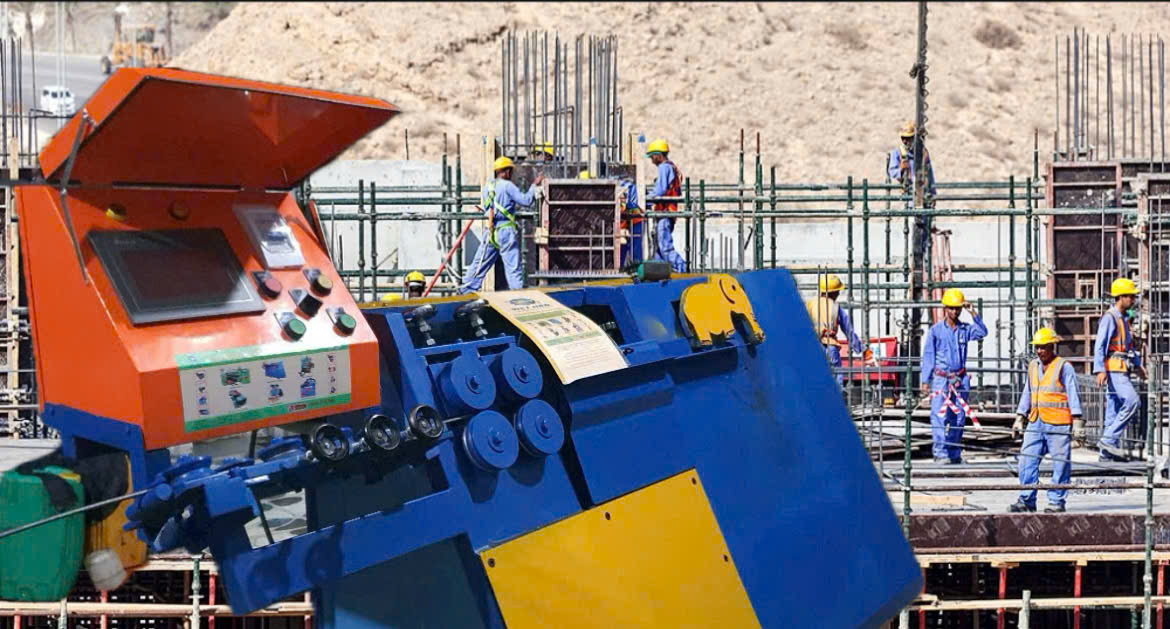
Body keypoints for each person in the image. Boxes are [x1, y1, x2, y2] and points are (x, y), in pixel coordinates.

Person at [1009, 327, 1083, 513]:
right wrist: (1020, 416)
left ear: (1052, 346)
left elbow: (1073, 393)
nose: (1039, 351)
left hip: (1058, 423)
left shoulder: (1063, 367)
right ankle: (1027, 499)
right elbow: (1027, 392)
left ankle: (1056, 501)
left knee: (1060, 463)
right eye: (1037, 347)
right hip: (1036, 421)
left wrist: (1077, 421)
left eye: (1043, 347)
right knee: (1026, 460)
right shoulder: (1033, 366)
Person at [920, 288, 988, 464]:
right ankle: (940, 453)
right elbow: (929, 355)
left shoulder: (964, 329)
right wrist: (925, 380)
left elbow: (982, 332)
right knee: (939, 415)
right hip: (942, 379)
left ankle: (954, 452)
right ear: (945, 308)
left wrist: (973, 313)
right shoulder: (936, 331)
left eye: (957, 308)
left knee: (958, 416)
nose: (955, 311)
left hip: (960, 379)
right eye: (951, 308)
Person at [458, 157, 543, 294]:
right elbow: (526, 201)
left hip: (490, 231)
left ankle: (465, 291)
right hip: (506, 231)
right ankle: (518, 295)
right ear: (507, 171)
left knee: (479, 264)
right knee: (512, 268)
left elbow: (487, 208)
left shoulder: (487, 187)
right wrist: (534, 185)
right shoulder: (507, 186)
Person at [1093, 278, 1144, 461]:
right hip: (1114, 369)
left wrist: (1138, 365)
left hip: (1121, 368)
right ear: (1121, 297)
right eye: (1130, 296)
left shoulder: (1123, 319)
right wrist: (1099, 369)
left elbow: (1128, 347)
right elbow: (1100, 345)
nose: (1133, 299)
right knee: (1133, 401)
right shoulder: (1110, 317)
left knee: (1113, 412)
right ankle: (1107, 441)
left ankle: (1105, 455)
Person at [805, 274, 876, 388]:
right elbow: (849, 332)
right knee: (836, 383)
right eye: (837, 291)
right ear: (833, 292)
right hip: (830, 347)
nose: (838, 294)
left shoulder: (809, 304)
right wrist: (863, 350)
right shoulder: (835, 307)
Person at [579, 170, 644, 267]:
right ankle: (621, 268)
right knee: (621, 247)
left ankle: (637, 268)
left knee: (634, 248)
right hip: (623, 222)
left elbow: (623, 206)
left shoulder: (616, 189)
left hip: (634, 220)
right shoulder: (597, 194)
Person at [646, 139, 686, 273]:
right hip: (667, 211)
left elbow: (660, 190)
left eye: (652, 156)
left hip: (665, 211)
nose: (651, 160)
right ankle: (659, 273)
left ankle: (682, 268)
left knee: (665, 247)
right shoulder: (671, 167)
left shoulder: (664, 167)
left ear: (658, 155)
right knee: (658, 248)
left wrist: (646, 199)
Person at [887, 121, 937, 205]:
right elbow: (892, 171)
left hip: (923, 193)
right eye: (903, 138)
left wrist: (933, 194)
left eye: (908, 138)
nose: (905, 141)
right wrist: (901, 170)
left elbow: (929, 174)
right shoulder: (897, 153)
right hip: (908, 194)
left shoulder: (923, 153)